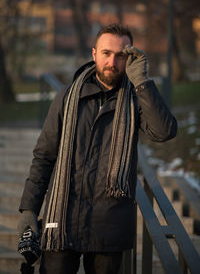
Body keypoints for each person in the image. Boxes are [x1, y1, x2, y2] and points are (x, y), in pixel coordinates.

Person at [18, 23, 177, 274]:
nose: (112, 62)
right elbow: (44, 156)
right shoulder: (67, 97)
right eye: (106, 53)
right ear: (94, 54)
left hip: (110, 228)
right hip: (61, 222)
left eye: (120, 55)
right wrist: (29, 209)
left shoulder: (136, 99)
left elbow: (165, 131)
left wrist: (142, 82)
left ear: (130, 58)